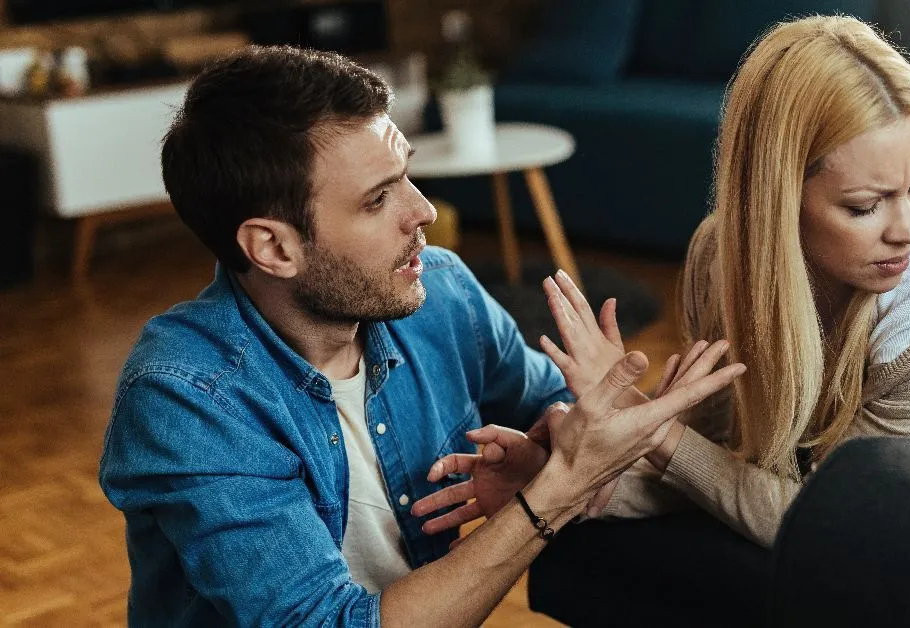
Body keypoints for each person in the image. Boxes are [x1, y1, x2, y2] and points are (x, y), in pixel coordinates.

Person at [421, 15, 910, 550]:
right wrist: (559, 490)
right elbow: (732, 456)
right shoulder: (721, 258)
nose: (906, 229)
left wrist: (652, 426)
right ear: (776, 199)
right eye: (865, 205)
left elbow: (817, 514)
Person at [97, 45, 744, 627]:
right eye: (378, 200)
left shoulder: (442, 291)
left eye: (405, 173)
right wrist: (556, 489)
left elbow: (551, 409)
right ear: (273, 246)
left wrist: (566, 436)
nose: (424, 211)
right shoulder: (186, 397)